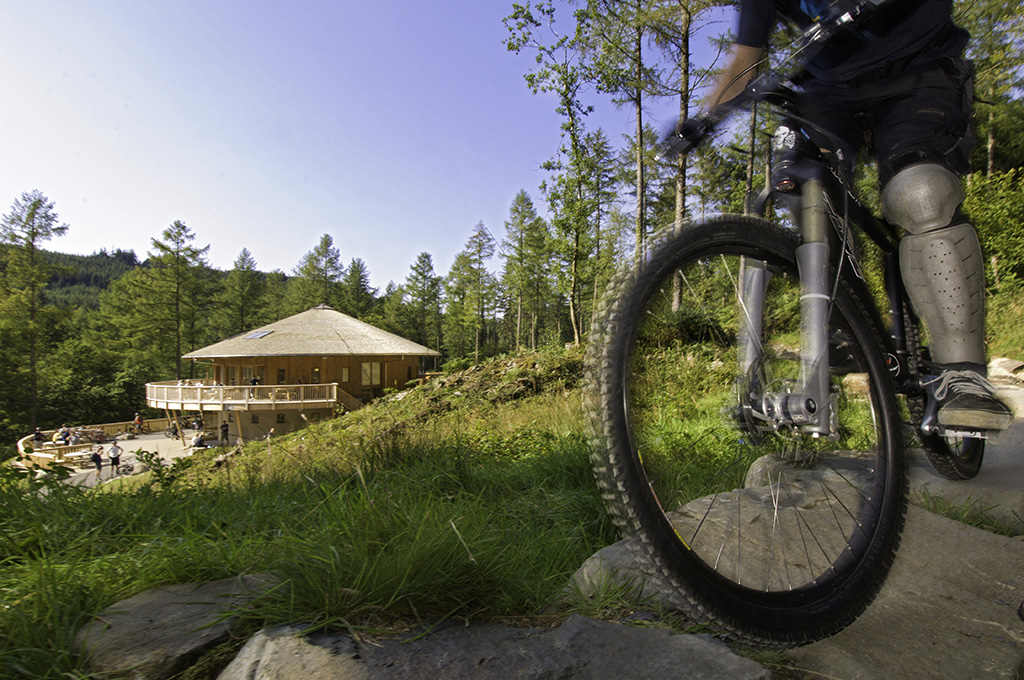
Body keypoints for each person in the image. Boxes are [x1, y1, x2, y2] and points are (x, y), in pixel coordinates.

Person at [703, 0, 1012, 431]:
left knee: (922, 192)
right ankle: (849, 326)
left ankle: (962, 375)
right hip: (827, 90)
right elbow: (745, 56)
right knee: (800, 184)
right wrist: (704, 117)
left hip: (919, 68)